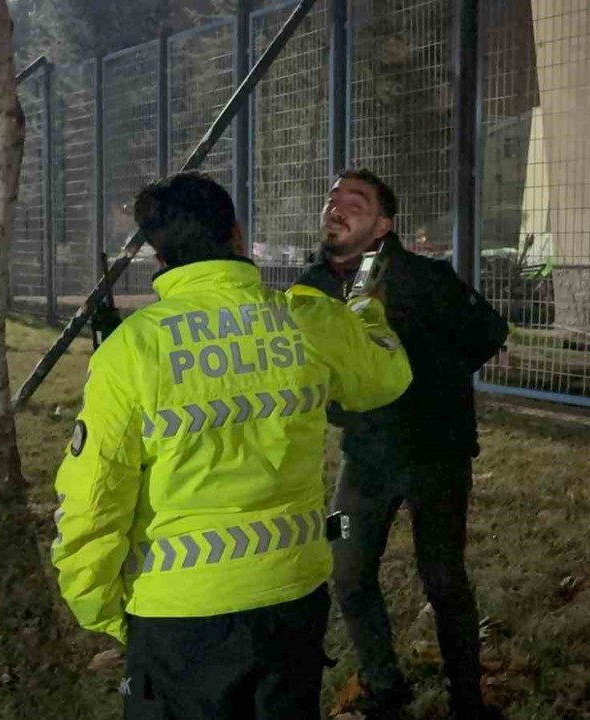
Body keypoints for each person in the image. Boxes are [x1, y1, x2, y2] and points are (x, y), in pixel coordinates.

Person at [51, 171, 413, 719]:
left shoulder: (134, 349)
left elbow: (94, 497)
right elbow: (385, 376)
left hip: (177, 615)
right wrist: (364, 309)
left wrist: (100, 606)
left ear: (160, 257)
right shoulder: (307, 319)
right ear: (238, 237)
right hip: (291, 598)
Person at [291, 169, 509, 720]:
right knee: (345, 566)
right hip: (360, 459)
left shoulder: (425, 277)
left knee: (443, 577)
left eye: (354, 201)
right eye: (331, 198)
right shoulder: (314, 287)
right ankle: (385, 686)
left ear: (385, 224)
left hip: (437, 456)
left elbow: (489, 334)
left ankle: (467, 700)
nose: (335, 208)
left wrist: (434, 381)